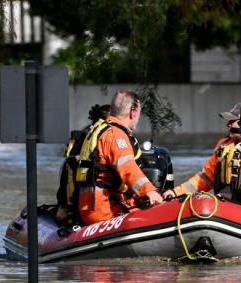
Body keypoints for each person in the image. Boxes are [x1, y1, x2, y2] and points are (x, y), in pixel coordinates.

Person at [76, 90, 163, 225]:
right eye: (139, 113)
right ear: (133, 111)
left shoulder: (98, 129)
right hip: (103, 212)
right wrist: (150, 191)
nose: (138, 118)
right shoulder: (115, 135)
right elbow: (128, 168)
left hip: (90, 207)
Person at [55, 103, 110, 224]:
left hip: (83, 205)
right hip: (90, 207)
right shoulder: (95, 138)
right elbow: (68, 172)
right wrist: (62, 206)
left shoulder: (86, 136)